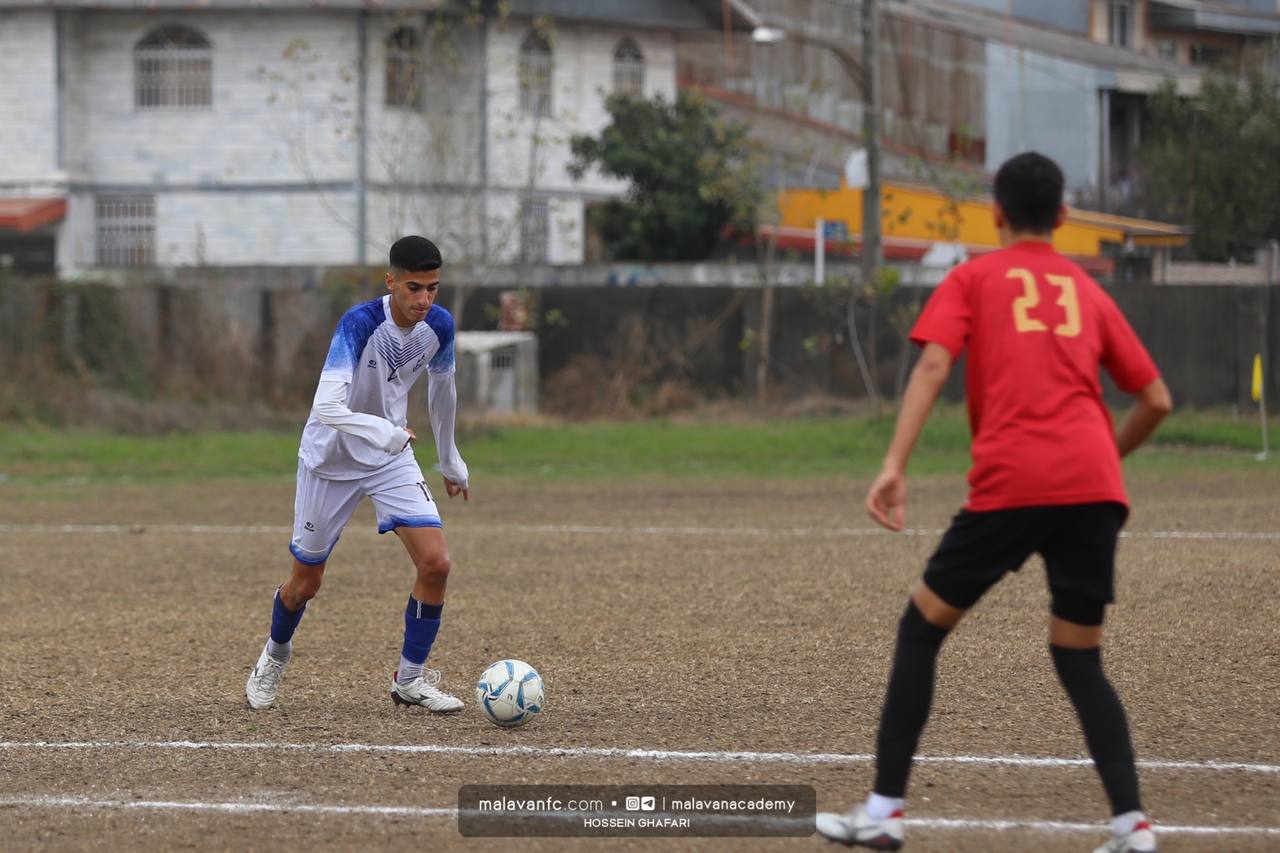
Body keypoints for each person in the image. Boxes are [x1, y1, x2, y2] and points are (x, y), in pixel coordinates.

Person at [816, 153, 1172, 853]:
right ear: (1065, 217)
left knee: (921, 629)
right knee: (1079, 657)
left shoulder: (973, 276)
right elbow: (1156, 398)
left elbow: (933, 362)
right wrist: (1102, 459)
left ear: (996, 213)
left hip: (1012, 483)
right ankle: (1132, 828)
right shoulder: (1088, 291)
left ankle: (885, 812)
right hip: (1093, 492)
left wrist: (894, 464)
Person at [245, 235, 470, 713]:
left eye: (432, 288)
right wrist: (379, 430)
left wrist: (449, 459)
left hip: (390, 455)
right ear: (390, 282)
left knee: (436, 564)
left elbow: (442, 391)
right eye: (413, 287)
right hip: (331, 460)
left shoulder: (439, 326)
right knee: (305, 583)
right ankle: (275, 654)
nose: (424, 299)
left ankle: (409, 679)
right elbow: (326, 407)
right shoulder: (359, 324)